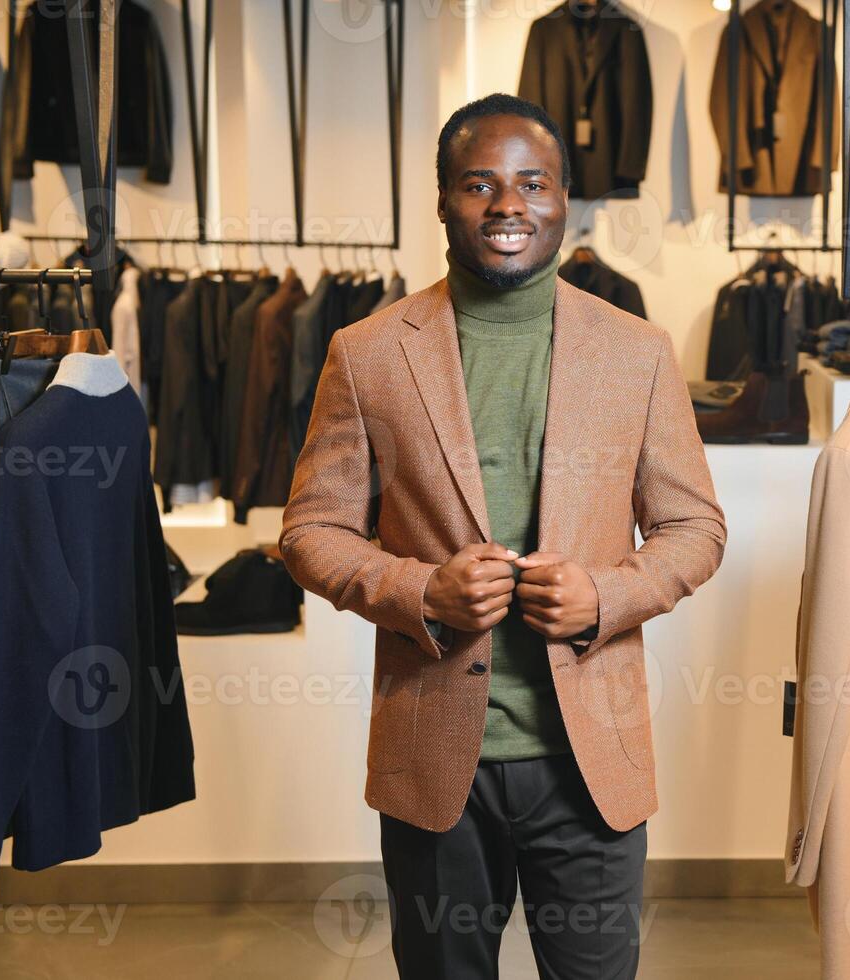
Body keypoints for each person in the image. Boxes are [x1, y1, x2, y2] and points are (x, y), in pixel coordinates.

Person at [279, 93, 726, 978]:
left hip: (590, 765)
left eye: (532, 183)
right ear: (442, 200)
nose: (508, 204)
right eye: (479, 183)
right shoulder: (367, 351)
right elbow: (310, 532)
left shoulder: (637, 350)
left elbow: (693, 528)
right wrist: (419, 592)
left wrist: (605, 593)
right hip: (435, 761)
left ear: (564, 199)